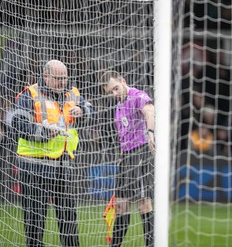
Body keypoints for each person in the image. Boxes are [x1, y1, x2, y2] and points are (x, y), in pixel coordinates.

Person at [11, 60, 93, 247]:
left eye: (64, 78)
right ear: (45, 76)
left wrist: (83, 111)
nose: (62, 82)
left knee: (69, 221)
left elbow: (92, 110)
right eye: (57, 78)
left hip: (63, 165)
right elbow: (17, 125)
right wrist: (43, 132)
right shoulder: (29, 94)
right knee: (34, 222)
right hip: (34, 166)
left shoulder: (73, 93)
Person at [100, 70, 155, 247]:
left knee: (143, 203)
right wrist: (122, 155)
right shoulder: (118, 106)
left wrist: (151, 132)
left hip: (140, 154)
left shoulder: (136, 95)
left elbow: (149, 109)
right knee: (121, 206)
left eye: (116, 88)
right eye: (111, 92)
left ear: (123, 81)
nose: (115, 94)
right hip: (126, 157)